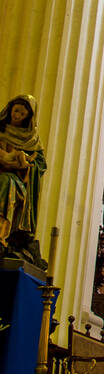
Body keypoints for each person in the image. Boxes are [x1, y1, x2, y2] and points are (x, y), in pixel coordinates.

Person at [0, 95, 46, 258]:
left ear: (29, 117)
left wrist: (24, 165)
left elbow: (39, 165)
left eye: (22, 113)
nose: (17, 115)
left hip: (16, 180)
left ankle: (2, 235)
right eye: (16, 110)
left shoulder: (31, 141)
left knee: (6, 182)